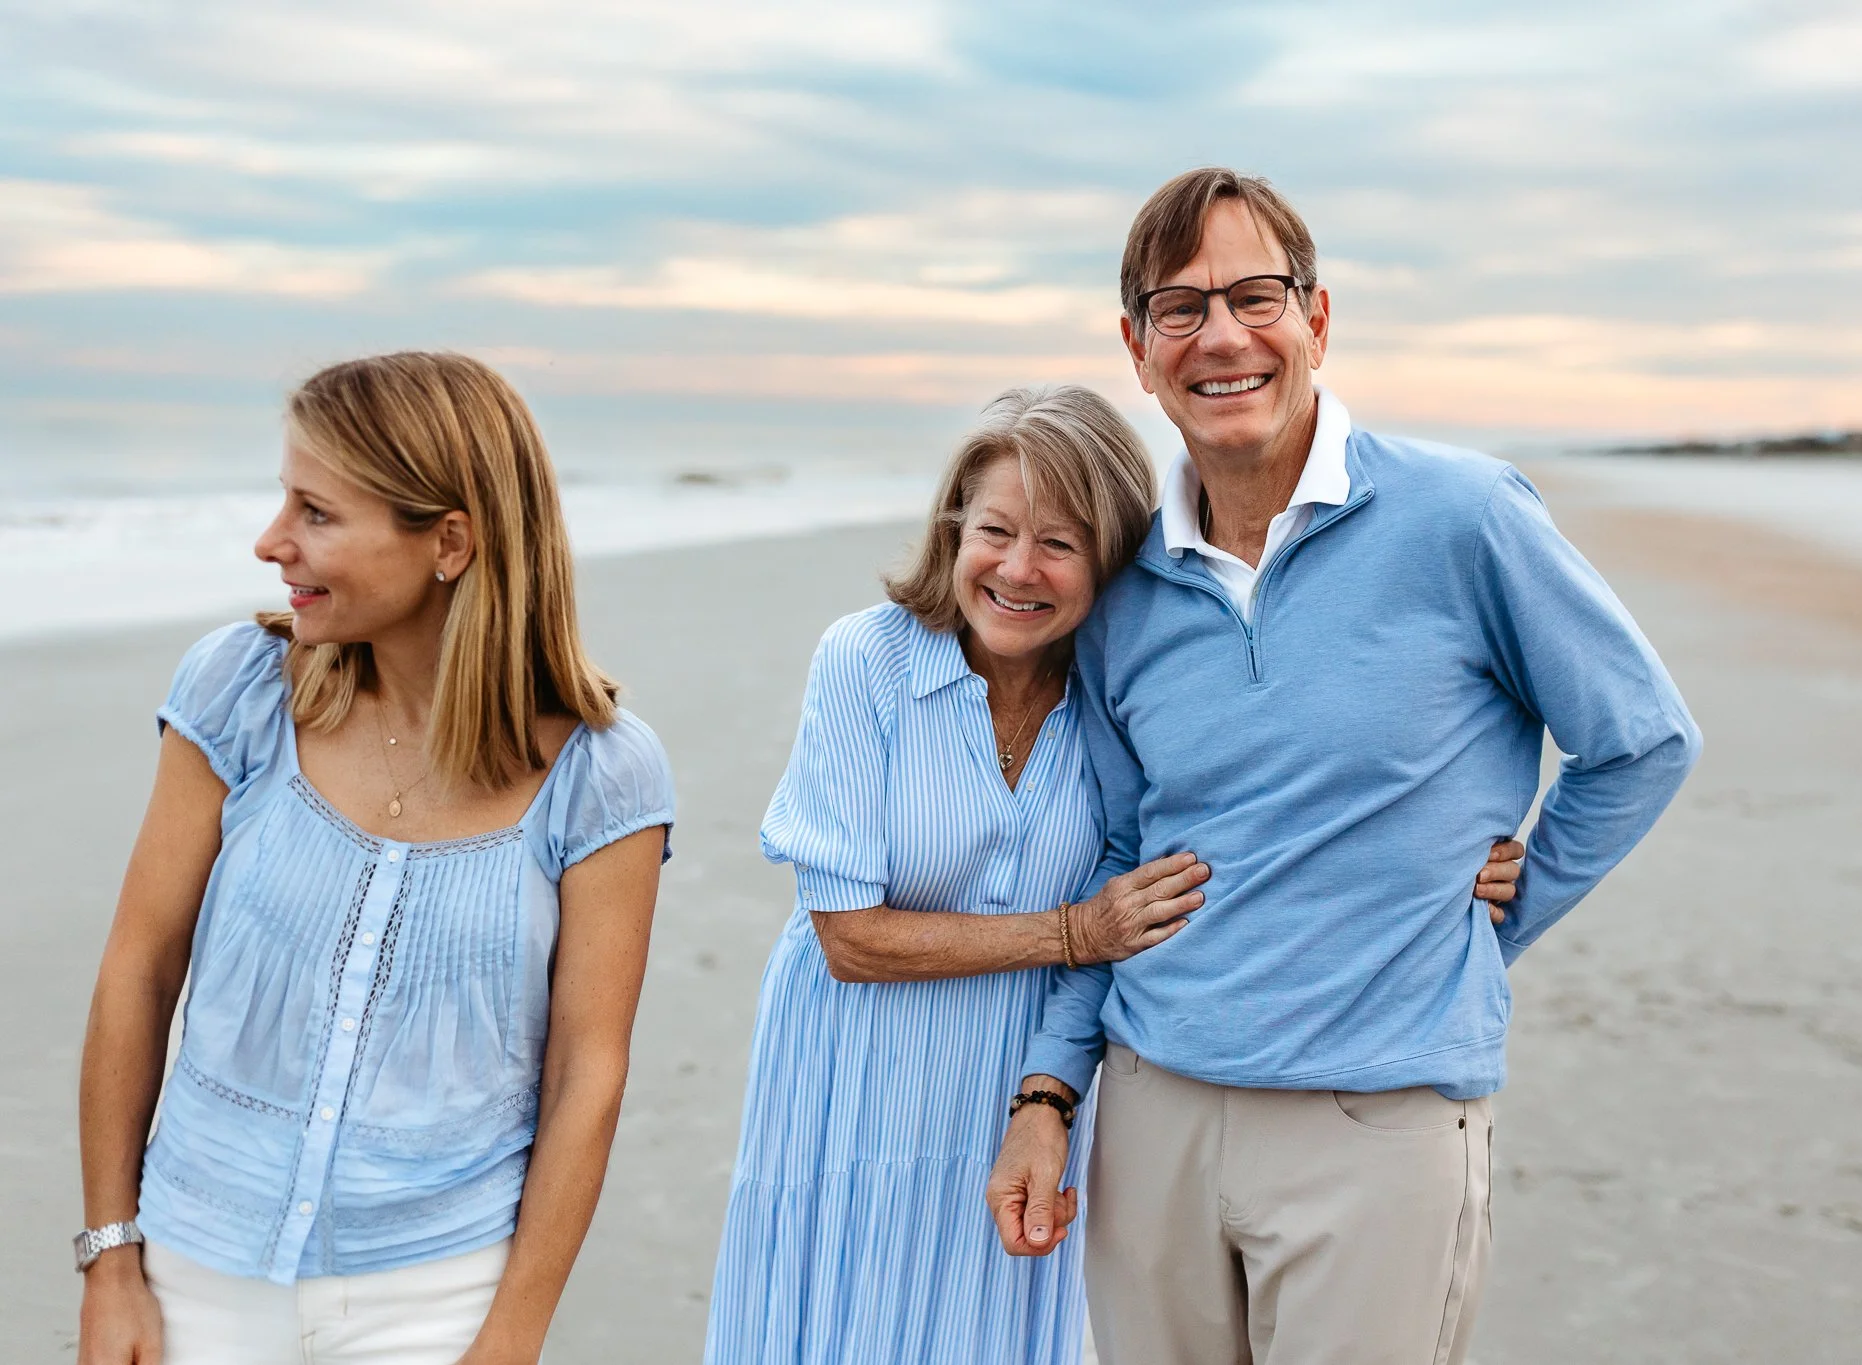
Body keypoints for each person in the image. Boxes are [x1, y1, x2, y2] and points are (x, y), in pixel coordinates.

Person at [988, 169, 1703, 1365]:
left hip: (1375, 1119)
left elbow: (1639, 740)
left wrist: (1496, 912)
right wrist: (1046, 1094)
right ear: (1137, 347)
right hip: (1152, 1108)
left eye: (1254, 295)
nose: (1221, 335)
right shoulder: (1120, 591)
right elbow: (1118, 861)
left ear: (1315, 321)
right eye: (1179, 307)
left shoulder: (1462, 518)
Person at [703, 383, 1539, 1364]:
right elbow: (847, 937)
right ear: (952, 530)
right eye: (994, 531)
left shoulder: (1122, 689)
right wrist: (1070, 932)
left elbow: (1213, 844)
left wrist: (1444, 856)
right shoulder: (864, 664)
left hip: (1021, 1080)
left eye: (1057, 543)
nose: (1017, 569)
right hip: (848, 1081)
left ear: (1109, 560)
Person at [74, 353, 675, 1365]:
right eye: (283, 501)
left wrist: (511, 1336)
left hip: (436, 1298)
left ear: (448, 541)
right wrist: (111, 1261)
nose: (272, 543)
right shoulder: (240, 692)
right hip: (190, 1268)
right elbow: (138, 968)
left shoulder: (604, 775)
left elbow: (588, 1075)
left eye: (315, 512)